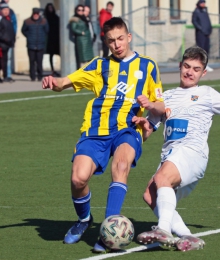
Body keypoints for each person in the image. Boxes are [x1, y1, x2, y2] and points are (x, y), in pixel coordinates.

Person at [42, 17, 165, 253]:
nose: (117, 44)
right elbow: (64, 82)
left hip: (128, 129)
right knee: (78, 179)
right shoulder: (98, 65)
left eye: (120, 38)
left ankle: (108, 232)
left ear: (129, 37)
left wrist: (149, 106)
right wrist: (52, 81)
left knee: (120, 166)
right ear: (106, 42)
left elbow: (162, 107)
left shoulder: (148, 66)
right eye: (111, 41)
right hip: (96, 130)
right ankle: (84, 220)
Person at [133, 46, 220, 251]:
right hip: (171, 156)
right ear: (180, 66)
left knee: (161, 179)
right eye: (186, 66)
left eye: (196, 69)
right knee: (150, 195)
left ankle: (163, 229)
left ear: (203, 73)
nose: (190, 72)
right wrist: (142, 124)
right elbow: (148, 132)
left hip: (192, 153)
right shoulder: (168, 96)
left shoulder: (207, 94)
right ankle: (187, 236)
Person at [21, 8, 49, 81]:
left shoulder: (44, 21)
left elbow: (47, 30)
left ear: (39, 14)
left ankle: (40, 76)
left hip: (40, 45)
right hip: (31, 45)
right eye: (34, 14)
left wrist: (42, 37)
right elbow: (23, 30)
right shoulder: (27, 21)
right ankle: (32, 77)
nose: (36, 15)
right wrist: (29, 36)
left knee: (39, 61)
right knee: (32, 61)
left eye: (37, 14)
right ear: (32, 14)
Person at [70, 4, 94, 69]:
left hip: (87, 41)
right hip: (81, 41)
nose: (80, 11)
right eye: (79, 10)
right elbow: (74, 28)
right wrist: (81, 33)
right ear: (76, 11)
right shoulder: (75, 19)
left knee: (89, 58)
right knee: (83, 58)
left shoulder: (84, 18)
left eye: (82, 10)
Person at [192, 0, 213, 72]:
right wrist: (201, 29)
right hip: (200, 34)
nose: (203, 4)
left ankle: (206, 64)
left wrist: (210, 30)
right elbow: (194, 22)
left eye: (204, 3)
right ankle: (200, 65)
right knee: (201, 49)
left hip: (207, 33)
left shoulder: (205, 11)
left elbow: (208, 21)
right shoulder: (196, 12)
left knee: (206, 49)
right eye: (202, 3)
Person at [0, 1, 15, 83]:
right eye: (4, 9)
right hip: (2, 44)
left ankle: (6, 76)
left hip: (7, 44)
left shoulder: (9, 19)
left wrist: (12, 40)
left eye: (7, 9)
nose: (6, 11)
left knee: (4, 62)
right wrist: (5, 38)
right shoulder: (1, 19)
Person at [44, 3, 60, 76]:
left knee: (59, 53)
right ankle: (52, 70)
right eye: (49, 8)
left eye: (51, 7)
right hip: (48, 39)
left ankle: (60, 69)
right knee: (51, 54)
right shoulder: (45, 18)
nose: (50, 9)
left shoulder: (56, 17)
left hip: (56, 38)